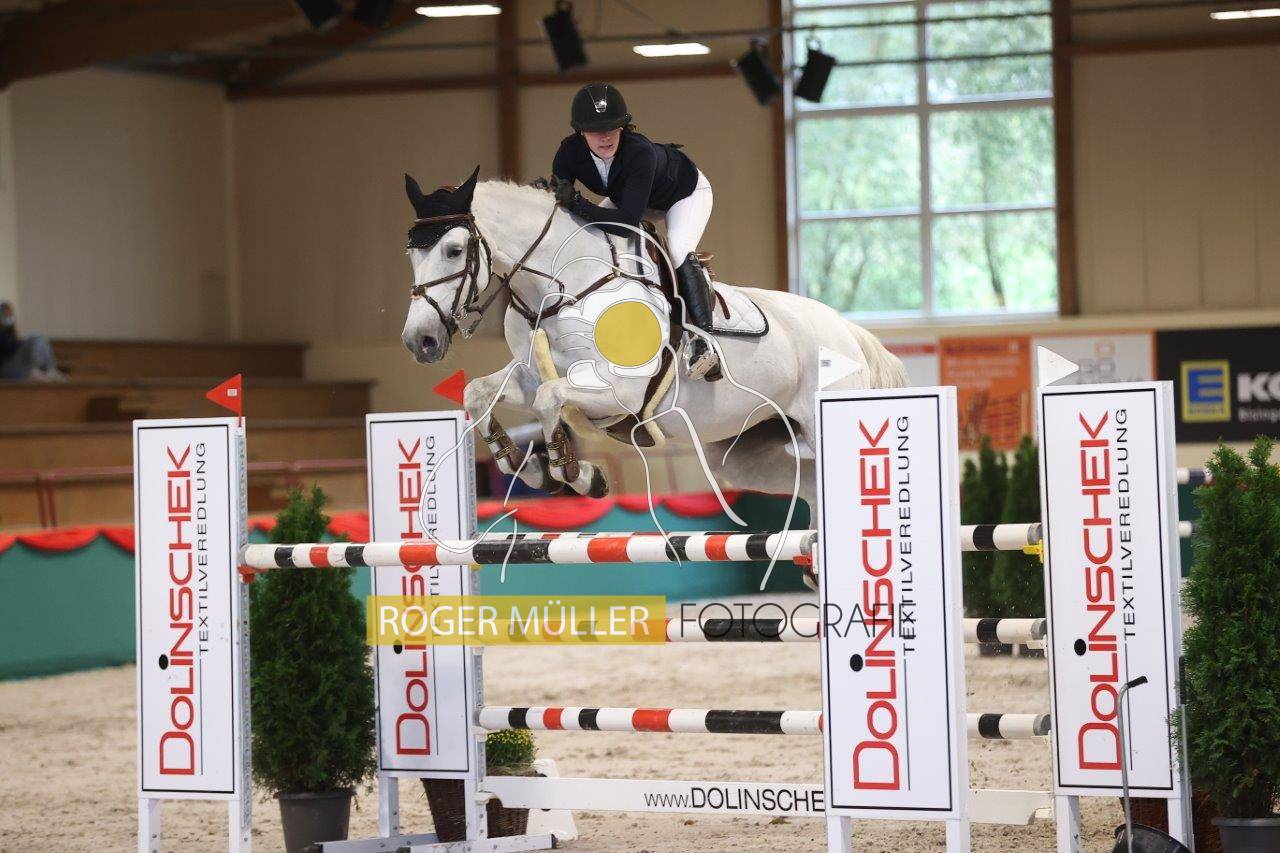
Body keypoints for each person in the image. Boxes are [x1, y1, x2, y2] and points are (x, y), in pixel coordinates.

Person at [551, 82, 720, 381]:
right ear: (581, 132)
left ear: (623, 127)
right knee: (588, 236)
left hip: (683, 193)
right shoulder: (569, 152)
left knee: (678, 248)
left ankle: (704, 341)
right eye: (595, 130)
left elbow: (627, 222)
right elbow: (558, 198)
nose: (605, 136)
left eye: (612, 128)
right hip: (632, 198)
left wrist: (577, 202)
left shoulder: (638, 151)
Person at [0, 301, 65, 381]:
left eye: (10, 314)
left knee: (37, 339)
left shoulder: (8, 329)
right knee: (34, 337)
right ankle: (42, 369)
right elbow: (8, 347)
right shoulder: (3, 332)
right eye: (6, 314)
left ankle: (48, 369)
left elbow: (13, 343)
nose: (9, 317)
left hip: (15, 365)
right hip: (5, 369)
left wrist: (10, 328)